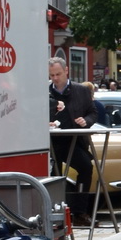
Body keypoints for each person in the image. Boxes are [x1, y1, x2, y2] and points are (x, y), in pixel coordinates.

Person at [48, 57, 95, 218]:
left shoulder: (81, 90)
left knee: (86, 167)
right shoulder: (45, 91)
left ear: (66, 71)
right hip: (52, 143)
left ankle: (79, 211)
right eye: (52, 75)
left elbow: (93, 112)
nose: (55, 78)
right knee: (54, 179)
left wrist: (86, 121)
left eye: (58, 74)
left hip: (73, 141)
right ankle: (56, 215)